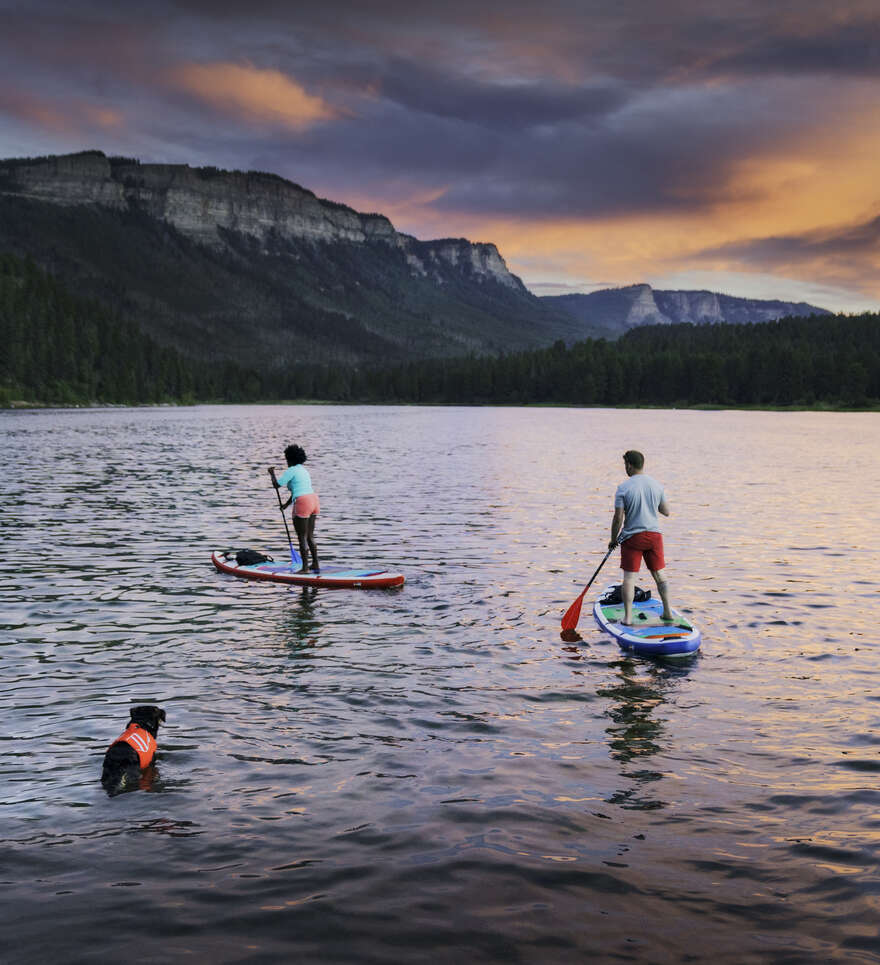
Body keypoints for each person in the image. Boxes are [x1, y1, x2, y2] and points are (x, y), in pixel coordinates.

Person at [608, 450, 673, 625]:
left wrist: (613, 540)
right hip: (654, 537)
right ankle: (667, 612)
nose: (625, 468)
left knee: (630, 578)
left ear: (629, 464)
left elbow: (618, 518)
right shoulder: (657, 485)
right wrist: (650, 504)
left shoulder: (623, 488)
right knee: (660, 575)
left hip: (632, 538)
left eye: (625, 465)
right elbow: (666, 511)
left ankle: (628, 618)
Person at [272, 444, 320, 573]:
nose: (286, 462)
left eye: (287, 459)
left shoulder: (291, 470)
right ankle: (315, 564)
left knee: (302, 537)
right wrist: (287, 505)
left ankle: (305, 568)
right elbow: (297, 490)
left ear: (290, 459)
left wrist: (272, 473)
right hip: (314, 500)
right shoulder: (303, 470)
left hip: (303, 502)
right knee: (310, 536)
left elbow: (277, 485)